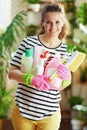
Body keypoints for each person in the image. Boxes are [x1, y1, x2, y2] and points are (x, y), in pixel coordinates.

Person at [8, 2, 72, 130]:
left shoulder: (66, 50)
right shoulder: (29, 42)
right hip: (23, 112)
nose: (53, 26)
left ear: (63, 23)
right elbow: (12, 72)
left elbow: (59, 86)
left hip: (50, 114)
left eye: (58, 22)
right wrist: (29, 79)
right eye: (48, 22)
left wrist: (67, 79)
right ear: (42, 23)